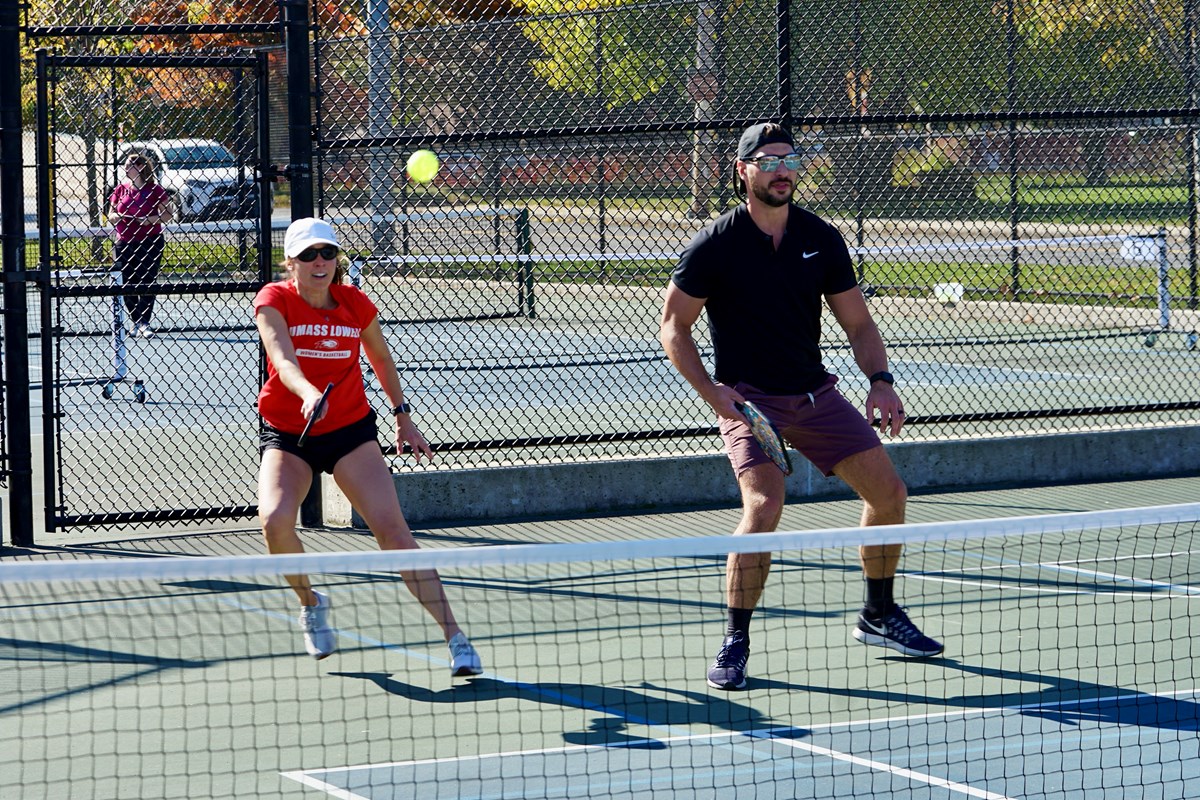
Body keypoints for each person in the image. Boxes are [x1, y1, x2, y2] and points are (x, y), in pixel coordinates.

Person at [659, 122, 942, 691]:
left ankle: (879, 613)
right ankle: (735, 640)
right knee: (764, 507)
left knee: (890, 494)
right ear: (742, 171)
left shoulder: (821, 237)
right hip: (750, 401)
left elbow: (857, 322)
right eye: (768, 161)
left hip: (816, 396)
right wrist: (714, 394)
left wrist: (880, 380)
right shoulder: (715, 245)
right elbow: (674, 328)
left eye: (791, 160)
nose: (783, 170)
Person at [254, 217, 483, 675]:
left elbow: (379, 357)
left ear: (337, 259)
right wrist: (307, 394)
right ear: (291, 263)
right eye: (308, 256)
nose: (320, 262)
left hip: (350, 432)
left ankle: (456, 638)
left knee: (394, 535)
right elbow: (282, 358)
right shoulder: (273, 300)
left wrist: (403, 417)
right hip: (289, 431)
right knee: (275, 521)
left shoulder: (355, 304)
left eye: (327, 253)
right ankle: (310, 602)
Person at [107, 150, 172, 338]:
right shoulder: (120, 189)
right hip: (124, 242)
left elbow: (168, 214)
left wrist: (149, 219)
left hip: (150, 242)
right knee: (126, 282)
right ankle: (136, 320)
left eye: (130, 165)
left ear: (141, 167)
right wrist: (117, 217)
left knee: (147, 280)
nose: (126, 168)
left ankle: (144, 322)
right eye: (125, 165)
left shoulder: (155, 189)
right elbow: (110, 215)